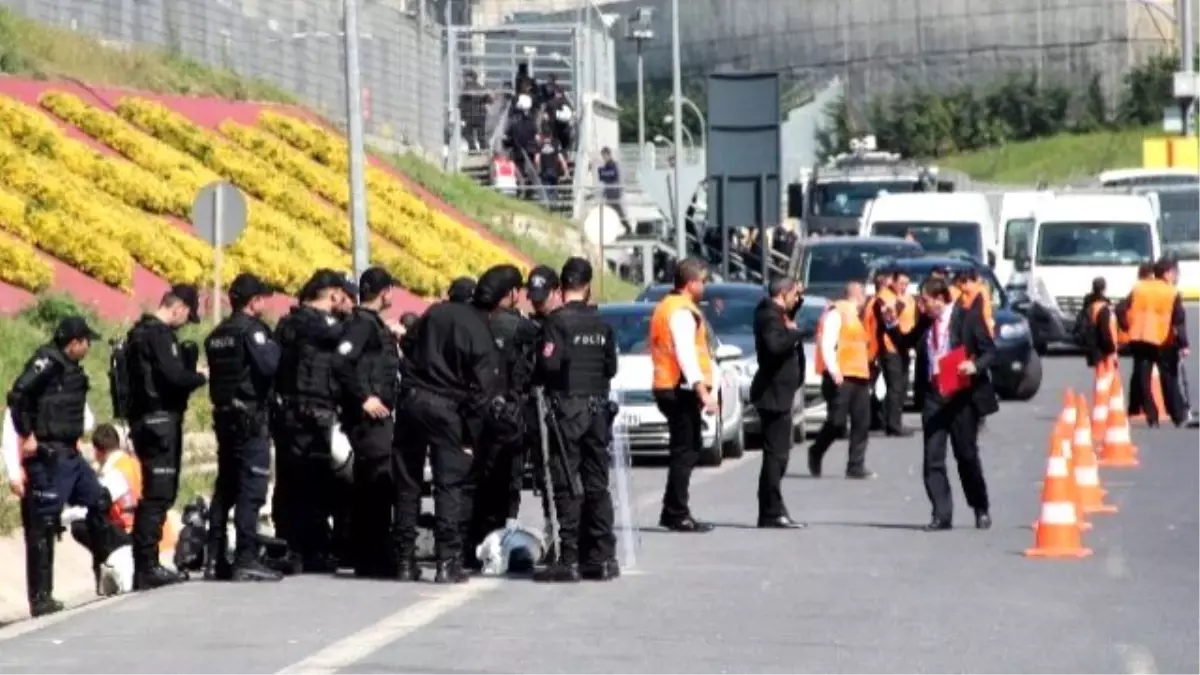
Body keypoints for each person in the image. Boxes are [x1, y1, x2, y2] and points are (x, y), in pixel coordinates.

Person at [393, 266, 508, 584]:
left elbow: (408, 344)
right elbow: (483, 390)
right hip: (447, 409)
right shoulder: (477, 327)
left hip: (412, 401)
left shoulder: (433, 314)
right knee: (449, 485)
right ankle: (447, 562)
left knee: (407, 483)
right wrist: (471, 433)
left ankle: (403, 559)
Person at [6, 316, 113, 616]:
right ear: (74, 342)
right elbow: (17, 394)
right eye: (86, 342)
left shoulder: (70, 368)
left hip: (71, 454)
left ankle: (104, 566)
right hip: (47, 456)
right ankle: (41, 598)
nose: (89, 347)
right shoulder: (46, 361)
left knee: (100, 499)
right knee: (42, 527)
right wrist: (26, 434)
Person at [883, 277, 997, 531]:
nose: (922, 307)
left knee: (966, 455)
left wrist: (974, 365)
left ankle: (980, 507)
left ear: (940, 299)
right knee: (932, 457)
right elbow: (905, 343)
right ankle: (941, 514)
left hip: (961, 394)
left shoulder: (967, 318)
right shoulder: (926, 322)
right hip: (934, 394)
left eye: (925, 301)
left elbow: (990, 351)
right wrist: (890, 322)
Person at [534, 257, 619, 582]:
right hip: (598, 411)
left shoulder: (557, 323)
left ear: (561, 286)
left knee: (567, 482)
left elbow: (550, 367)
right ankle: (603, 558)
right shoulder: (602, 324)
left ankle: (569, 559)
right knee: (598, 483)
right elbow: (611, 368)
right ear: (589, 286)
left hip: (567, 411)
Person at [124, 284, 207, 590]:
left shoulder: (137, 333)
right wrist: (200, 376)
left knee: (156, 494)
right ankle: (147, 567)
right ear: (179, 308)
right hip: (159, 422)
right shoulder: (158, 335)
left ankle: (147, 564)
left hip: (144, 421)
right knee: (158, 495)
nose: (186, 322)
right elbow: (174, 378)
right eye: (187, 315)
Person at [203, 273, 283, 581]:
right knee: (252, 487)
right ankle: (246, 557)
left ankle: (214, 557)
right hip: (250, 419)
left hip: (225, 418)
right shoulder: (252, 332)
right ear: (254, 302)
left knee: (225, 487)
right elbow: (269, 366)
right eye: (262, 297)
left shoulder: (217, 334)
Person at [271, 270, 347, 573]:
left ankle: (288, 544)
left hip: (286, 413)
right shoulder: (321, 326)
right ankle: (309, 548)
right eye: (342, 295)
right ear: (331, 295)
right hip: (312, 414)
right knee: (313, 482)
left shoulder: (287, 323)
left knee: (289, 481)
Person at [332, 267, 402, 579]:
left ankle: (369, 555)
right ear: (384, 291)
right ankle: (373, 555)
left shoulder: (371, 324)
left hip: (376, 418)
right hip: (369, 421)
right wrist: (364, 398)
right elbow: (341, 360)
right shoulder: (361, 324)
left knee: (371, 484)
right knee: (376, 484)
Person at [466, 266, 537, 569]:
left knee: (473, 483)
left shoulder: (468, 320)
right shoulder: (519, 326)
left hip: (470, 413)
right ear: (510, 293)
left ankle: (472, 545)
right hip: (508, 414)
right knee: (506, 483)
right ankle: (499, 544)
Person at [650, 257, 718, 533]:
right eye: (703, 281)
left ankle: (673, 509)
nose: (705, 286)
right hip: (679, 388)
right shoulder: (681, 312)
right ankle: (676, 512)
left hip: (671, 386)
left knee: (688, 448)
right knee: (684, 451)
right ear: (691, 283)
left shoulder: (670, 306)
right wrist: (703, 391)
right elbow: (686, 354)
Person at [748, 277, 807, 529]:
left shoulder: (777, 311)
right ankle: (771, 511)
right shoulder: (769, 316)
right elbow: (775, 346)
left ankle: (771, 509)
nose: (796, 299)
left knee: (778, 454)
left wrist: (798, 300)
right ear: (783, 293)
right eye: (794, 294)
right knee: (776, 456)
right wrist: (795, 333)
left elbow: (790, 310)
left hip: (780, 393)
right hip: (772, 394)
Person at [807, 282, 876, 480]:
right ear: (858, 295)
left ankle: (855, 466)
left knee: (862, 422)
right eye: (863, 294)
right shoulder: (837, 313)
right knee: (837, 422)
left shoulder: (856, 316)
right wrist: (834, 370)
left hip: (860, 376)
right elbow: (828, 343)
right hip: (842, 376)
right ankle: (816, 450)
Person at [68, 423, 137, 596]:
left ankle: (106, 569)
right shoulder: (132, 462)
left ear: (98, 451)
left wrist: (60, 516)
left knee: (82, 525)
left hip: (127, 531)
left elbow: (95, 504)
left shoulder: (114, 472)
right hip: (143, 529)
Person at [1123, 257, 1189, 426]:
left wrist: (1127, 326)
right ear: (1167, 273)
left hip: (1139, 337)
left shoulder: (1139, 288)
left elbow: (1121, 308)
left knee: (1143, 378)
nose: (1176, 276)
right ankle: (1178, 415)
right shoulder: (1171, 292)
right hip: (1162, 339)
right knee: (1169, 379)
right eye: (1175, 273)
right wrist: (1183, 344)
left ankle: (1151, 416)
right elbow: (1178, 320)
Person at [864, 267, 915, 437]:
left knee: (901, 386)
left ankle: (891, 420)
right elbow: (887, 320)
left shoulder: (906, 297)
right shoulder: (884, 298)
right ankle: (893, 425)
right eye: (901, 283)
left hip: (905, 347)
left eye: (907, 284)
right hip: (891, 347)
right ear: (892, 281)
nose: (904, 287)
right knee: (895, 386)